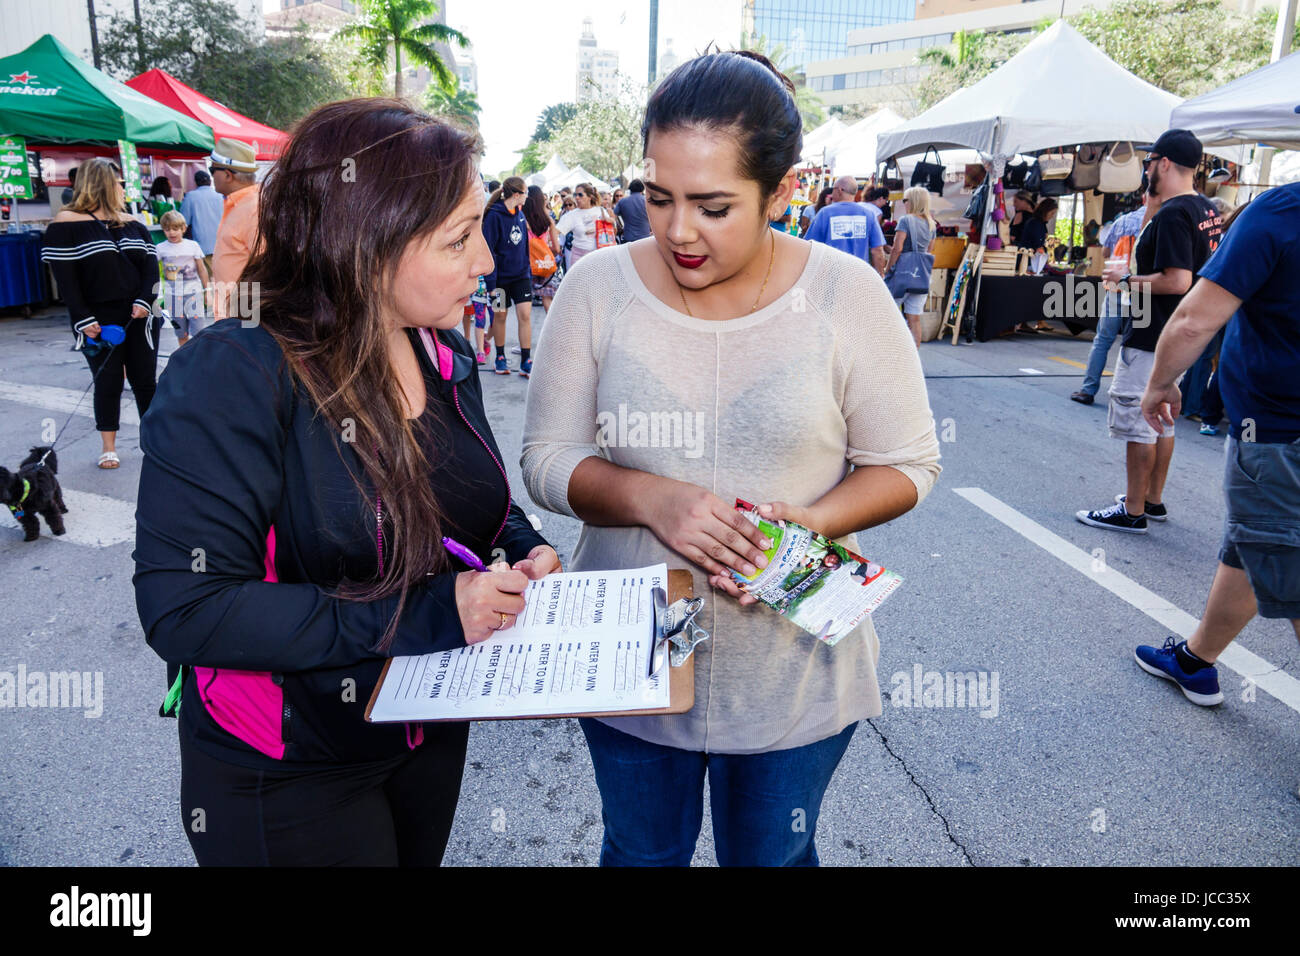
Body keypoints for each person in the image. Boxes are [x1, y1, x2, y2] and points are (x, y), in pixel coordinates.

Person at [521, 50, 941, 867]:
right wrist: (648, 497)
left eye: (714, 207)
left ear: (782, 192)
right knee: (640, 854)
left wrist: (813, 521)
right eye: (659, 197)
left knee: (774, 856)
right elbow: (546, 458)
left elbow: (908, 463)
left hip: (793, 662)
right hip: (628, 653)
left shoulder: (846, 294)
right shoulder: (597, 287)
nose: (679, 231)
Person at [134, 98, 560, 867]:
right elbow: (187, 608)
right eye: (459, 239)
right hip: (287, 763)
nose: (487, 262)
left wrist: (526, 548)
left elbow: (471, 506)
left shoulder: (442, 351)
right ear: (366, 242)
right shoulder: (236, 372)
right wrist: (428, 615)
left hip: (427, 722)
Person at [1133, 181, 1300, 705]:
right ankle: (1195, 660)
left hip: (1278, 433)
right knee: (1254, 546)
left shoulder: (1282, 209)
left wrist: (1160, 383)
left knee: (1290, 571)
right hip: (1275, 437)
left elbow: (1192, 319)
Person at [1077, 129, 1223, 533]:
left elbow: (1177, 280)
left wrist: (1126, 279)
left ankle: (1134, 510)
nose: (1145, 171)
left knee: (1139, 418)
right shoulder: (1204, 208)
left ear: (1163, 163)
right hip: (1177, 332)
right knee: (1163, 419)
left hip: (1153, 330)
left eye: (1148, 163)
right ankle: (1152, 500)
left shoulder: (1176, 213)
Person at [40, 157, 161, 470]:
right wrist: (83, 318)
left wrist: (145, 301)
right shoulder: (68, 222)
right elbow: (65, 279)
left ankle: (155, 443)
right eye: (118, 182)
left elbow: (150, 269)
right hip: (97, 319)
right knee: (107, 381)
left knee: (145, 380)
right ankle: (109, 446)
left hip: (141, 315)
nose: (122, 187)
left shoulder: (133, 222)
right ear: (103, 183)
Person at [1071, 196, 1149, 404]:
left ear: (1143, 198)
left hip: (1117, 284)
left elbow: (1106, 251)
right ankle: (1129, 393)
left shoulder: (1122, 221)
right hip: (1144, 288)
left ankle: (1088, 389)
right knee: (1137, 343)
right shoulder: (1161, 222)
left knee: (1103, 339)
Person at [482, 176, 534, 377]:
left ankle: (526, 360)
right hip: (500, 279)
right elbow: (489, 250)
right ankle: (500, 357)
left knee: (525, 315)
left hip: (521, 276)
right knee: (500, 316)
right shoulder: (494, 216)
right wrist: (491, 283)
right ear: (516, 194)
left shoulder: (520, 213)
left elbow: (524, 246)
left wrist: (527, 270)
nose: (527, 196)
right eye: (525, 192)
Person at [210, 137, 261, 320]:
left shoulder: (253, 208)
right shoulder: (240, 205)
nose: (211, 176)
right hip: (235, 316)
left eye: (212, 170)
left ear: (227, 175)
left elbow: (266, 266)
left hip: (245, 318)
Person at [884, 185, 936, 347]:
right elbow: (929, 250)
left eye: (905, 200)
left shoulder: (905, 220)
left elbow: (898, 248)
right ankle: (914, 359)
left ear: (912, 201)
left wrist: (888, 269)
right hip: (921, 277)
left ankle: (889, 354)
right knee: (914, 318)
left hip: (902, 275)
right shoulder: (931, 224)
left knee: (889, 314)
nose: (903, 203)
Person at [804, 174, 887, 274]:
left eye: (833, 189)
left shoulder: (825, 213)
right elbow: (877, 251)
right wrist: (880, 277)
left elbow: (810, 246)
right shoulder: (869, 215)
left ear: (839, 190)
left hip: (830, 275)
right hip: (859, 275)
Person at [156, 210, 210, 347]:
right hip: (173, 296)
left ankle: (199, 357)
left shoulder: (193, 246)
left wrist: (207, 290)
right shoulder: (160, 248)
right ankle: (185, 357)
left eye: (175, 229)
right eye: (167, 229)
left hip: (193, 294)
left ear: (183, 229)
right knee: (181, 332)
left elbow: (201, 269)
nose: (171, 233)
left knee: (198, 330)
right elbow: (155, 272)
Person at [1015, 198, 1058, 332]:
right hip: (1028, 262)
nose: (1052, 216)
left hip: (1033, 262)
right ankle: (1024, 322)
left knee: (1036, 292)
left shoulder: (1040, 223)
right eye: (1051, 213)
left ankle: (1039, 321)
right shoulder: (1035, 223)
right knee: (1029, 292)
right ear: (1046, 211)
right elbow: (1038, 245)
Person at [555, 182, 614, 272]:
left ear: (590, 197)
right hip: (578, 257)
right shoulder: (571, 215)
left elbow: (612, 234)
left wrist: (611, 222)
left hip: (598, 257)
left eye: (580, 195)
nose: (577, 198)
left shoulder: (600, 211)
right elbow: (555, 232)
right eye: (575, 195)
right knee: (579, 285)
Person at [524, 185, 563, 317]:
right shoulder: (548, 221)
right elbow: (557, 249)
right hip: (544, 263)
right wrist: (544, 250)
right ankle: (552, 330)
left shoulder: (522, 220)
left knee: (524, 304)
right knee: (547, 298)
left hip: (527, 264)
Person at [179, 169, 224, 276]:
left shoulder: (190, 197)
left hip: (202, 245)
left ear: (196, 182)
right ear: (210, 181)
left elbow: (183, 221)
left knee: (207, 278)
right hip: (222, 244)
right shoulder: (220, 195)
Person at [615, 178, 651, 243]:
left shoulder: (622, 202)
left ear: (630, 189)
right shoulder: (648, 201)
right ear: (642, 189)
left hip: (628, 238)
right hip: (645, 238)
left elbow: (614, 215)